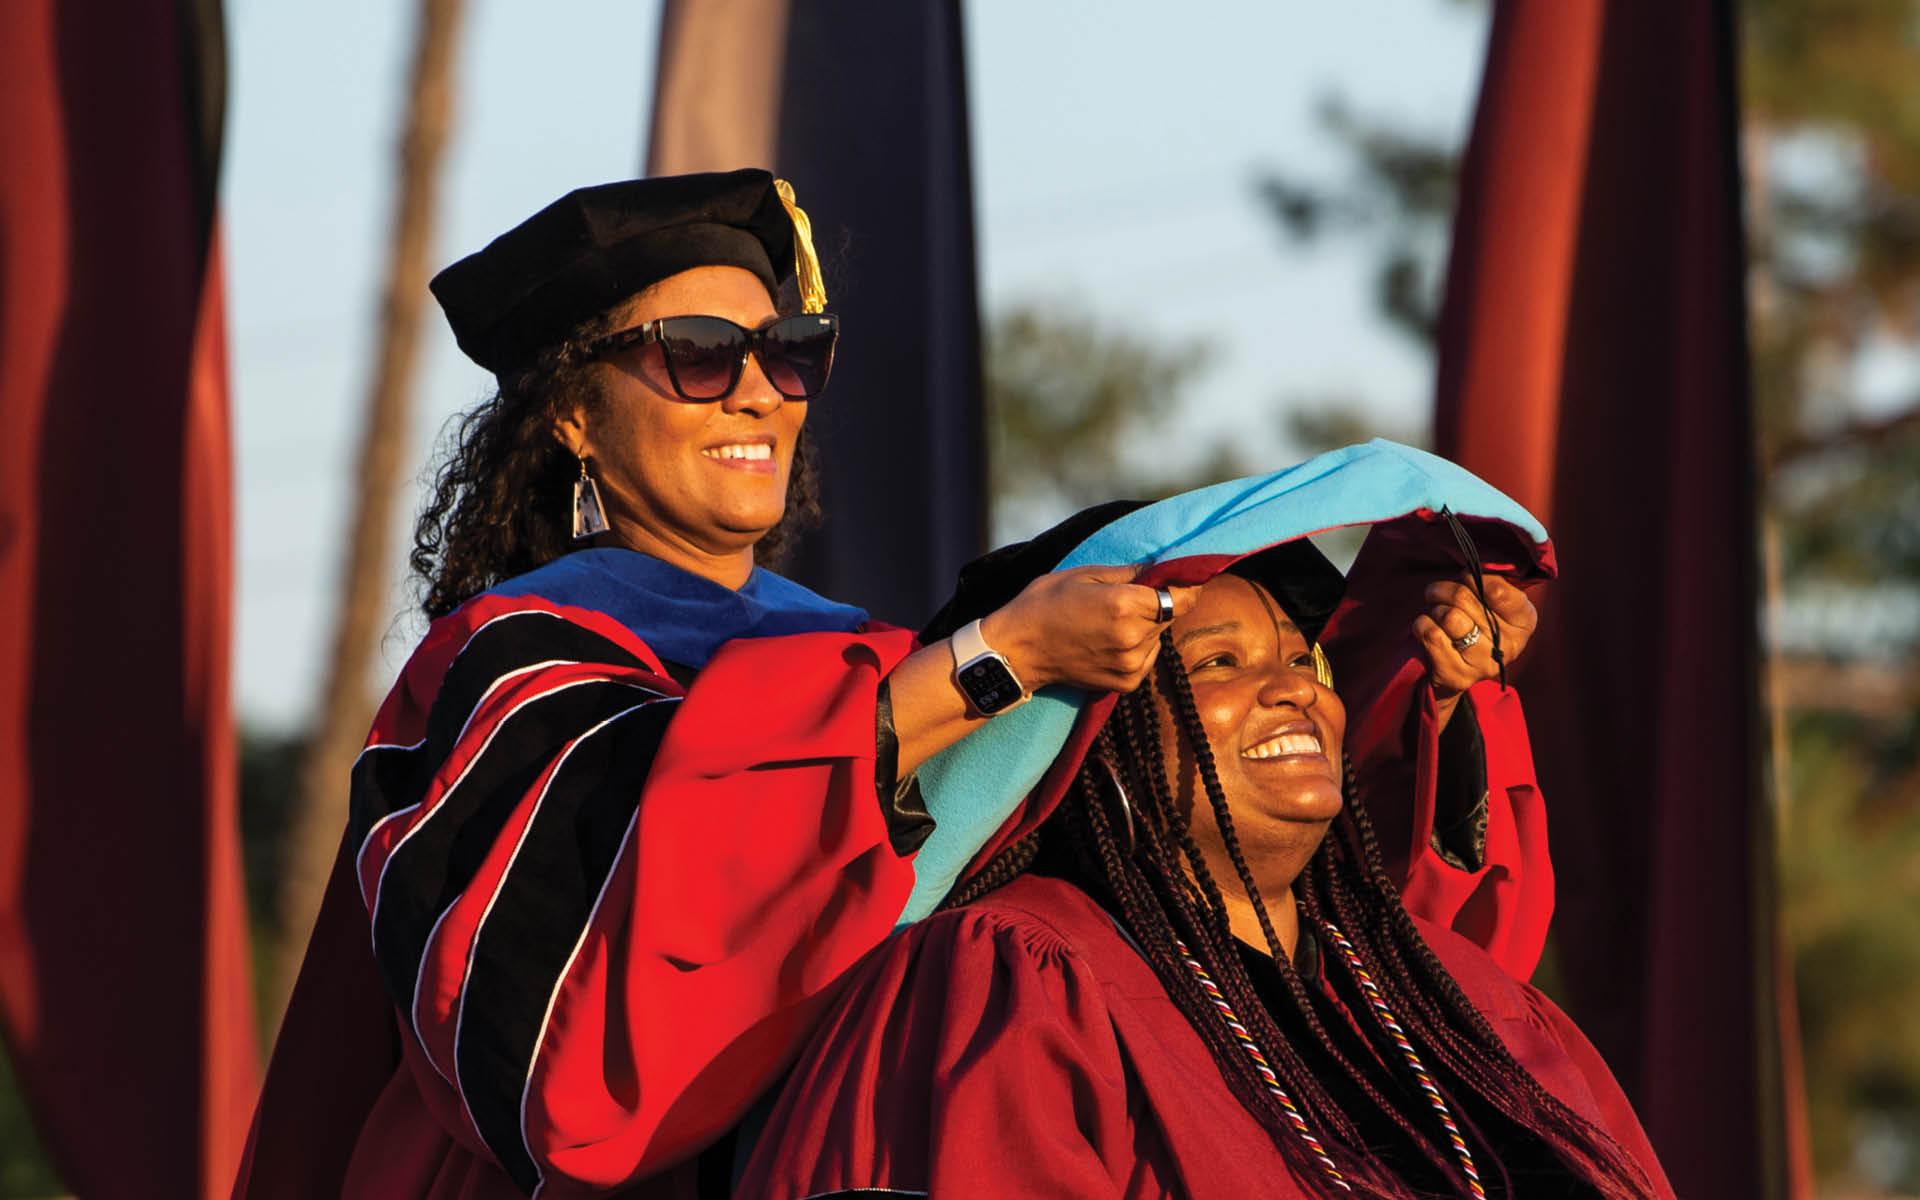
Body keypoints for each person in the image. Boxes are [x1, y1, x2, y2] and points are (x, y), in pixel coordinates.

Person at [235, 169, 1212, 1199]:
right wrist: (995, 662)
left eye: (789, 353)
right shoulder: (503, 672)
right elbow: (588, 1041)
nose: (759, 391)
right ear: (571, 414)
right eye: (698, 354)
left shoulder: (869, 654)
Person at [739, 457, 1675, 1198]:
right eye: (1219, 661)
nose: (1295, 688)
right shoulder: (1016, 980)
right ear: (1096, 737)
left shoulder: (1452, 996)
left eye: (1303, 657)